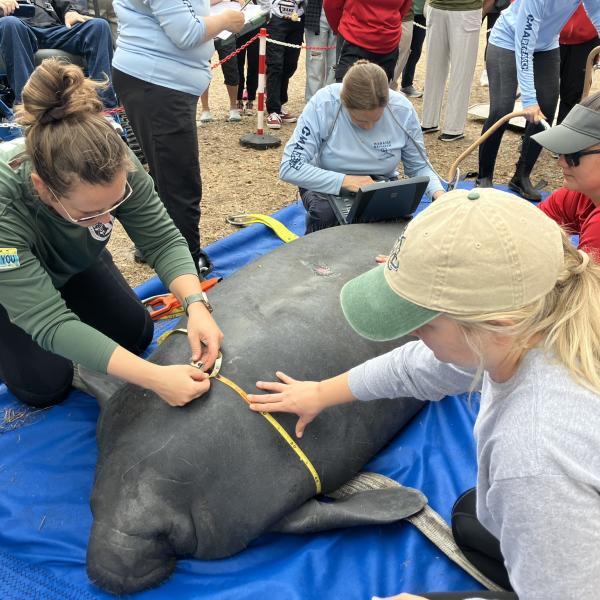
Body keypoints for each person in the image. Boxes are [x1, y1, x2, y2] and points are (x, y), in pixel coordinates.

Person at [248, 187, 600, 599]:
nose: (412, 332)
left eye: (425, 323)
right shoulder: (553, 315)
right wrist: (321, 393)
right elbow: (420, 366)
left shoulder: (532, 459)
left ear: (498, 323)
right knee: (476, 520)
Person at [0, 59, 223, 409]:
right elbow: (47, 321)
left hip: (69, 262)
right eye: (89, 214)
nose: (106, 219)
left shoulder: (113, 160)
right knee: (44, 387)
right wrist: (155, 379)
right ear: (42, 188)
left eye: (114, 205)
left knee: (135, 334)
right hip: (7, 283)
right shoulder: (4, 205)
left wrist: (195, 305)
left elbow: (162, 239)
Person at [111, 0, 244, 274]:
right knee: (179, 181)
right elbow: (186, 33)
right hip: (158, 81)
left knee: (165, 173)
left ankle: (158, 245)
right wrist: (227, 20)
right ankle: (184, 261)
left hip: (157, 79)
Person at [279, 60, 444, 234]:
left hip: (379, 183)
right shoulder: (324, 103)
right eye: (360, 121)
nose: (369, 127)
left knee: (394, 224)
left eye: (377, 119)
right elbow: (289, 166)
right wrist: (347, 181)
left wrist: (440, 196)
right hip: (326, 179)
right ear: (344, 102)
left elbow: (419, 166)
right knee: (327, 216)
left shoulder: (402, 109)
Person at [476, 0, 600, 200]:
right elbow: (524, 45)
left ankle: (521, 176)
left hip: (547, 44)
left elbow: (598, 17)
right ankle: (484, 177)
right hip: (508, 40)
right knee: (502, 109)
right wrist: (529, 99)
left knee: (547, 108)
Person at [0, 0, 117, 108]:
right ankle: (26, 108)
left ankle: (105, 108)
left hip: (53, 28)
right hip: (17, 29)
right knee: (9, 23)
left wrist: (70, 11)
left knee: (99, 26)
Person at [531, 91, 600, 259]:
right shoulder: (581, 194)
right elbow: (527, 225)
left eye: (573, 154)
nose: (561, 162)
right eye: (561, 151)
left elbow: (582, 284)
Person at [420, 0, 484, 143]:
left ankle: (454, 127)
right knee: (433, 68)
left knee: (462, 70)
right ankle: (428, 121)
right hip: (436, 7)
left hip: (467, 10)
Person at [324, 0, 411, 83]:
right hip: (356, 41)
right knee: (350, 91)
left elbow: (331, 6)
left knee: (376, 93)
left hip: (384, 43)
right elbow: (331, 6)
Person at [263, 0, 304, 129]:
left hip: (297, 17)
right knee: (275, 64)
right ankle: (273, 110)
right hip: (276, 18)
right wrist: (267, 11)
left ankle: (280, 103)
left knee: (290, 65)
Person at [557, 3, 600, 124]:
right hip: (551, 35)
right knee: (544, 96)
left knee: (573, 95)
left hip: (586, 39)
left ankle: (562, 139)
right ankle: (533, 140)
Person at [199, 37, 243, 124]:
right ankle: (205, 109)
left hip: (225, 32)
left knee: (231, 67)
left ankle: (233, 107)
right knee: (202, 68)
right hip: (205, 31)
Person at [304, 0, 336, 102]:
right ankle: (312, 102)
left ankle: (331, 101)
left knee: (335, 64)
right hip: (316, 11)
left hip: (339, 12)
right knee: (315, 62)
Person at [399, 0, 426, 98]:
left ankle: (407, 85)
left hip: (422, 14)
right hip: (404, 13)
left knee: (415, 51)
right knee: (399, 51)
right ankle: (388, 84)